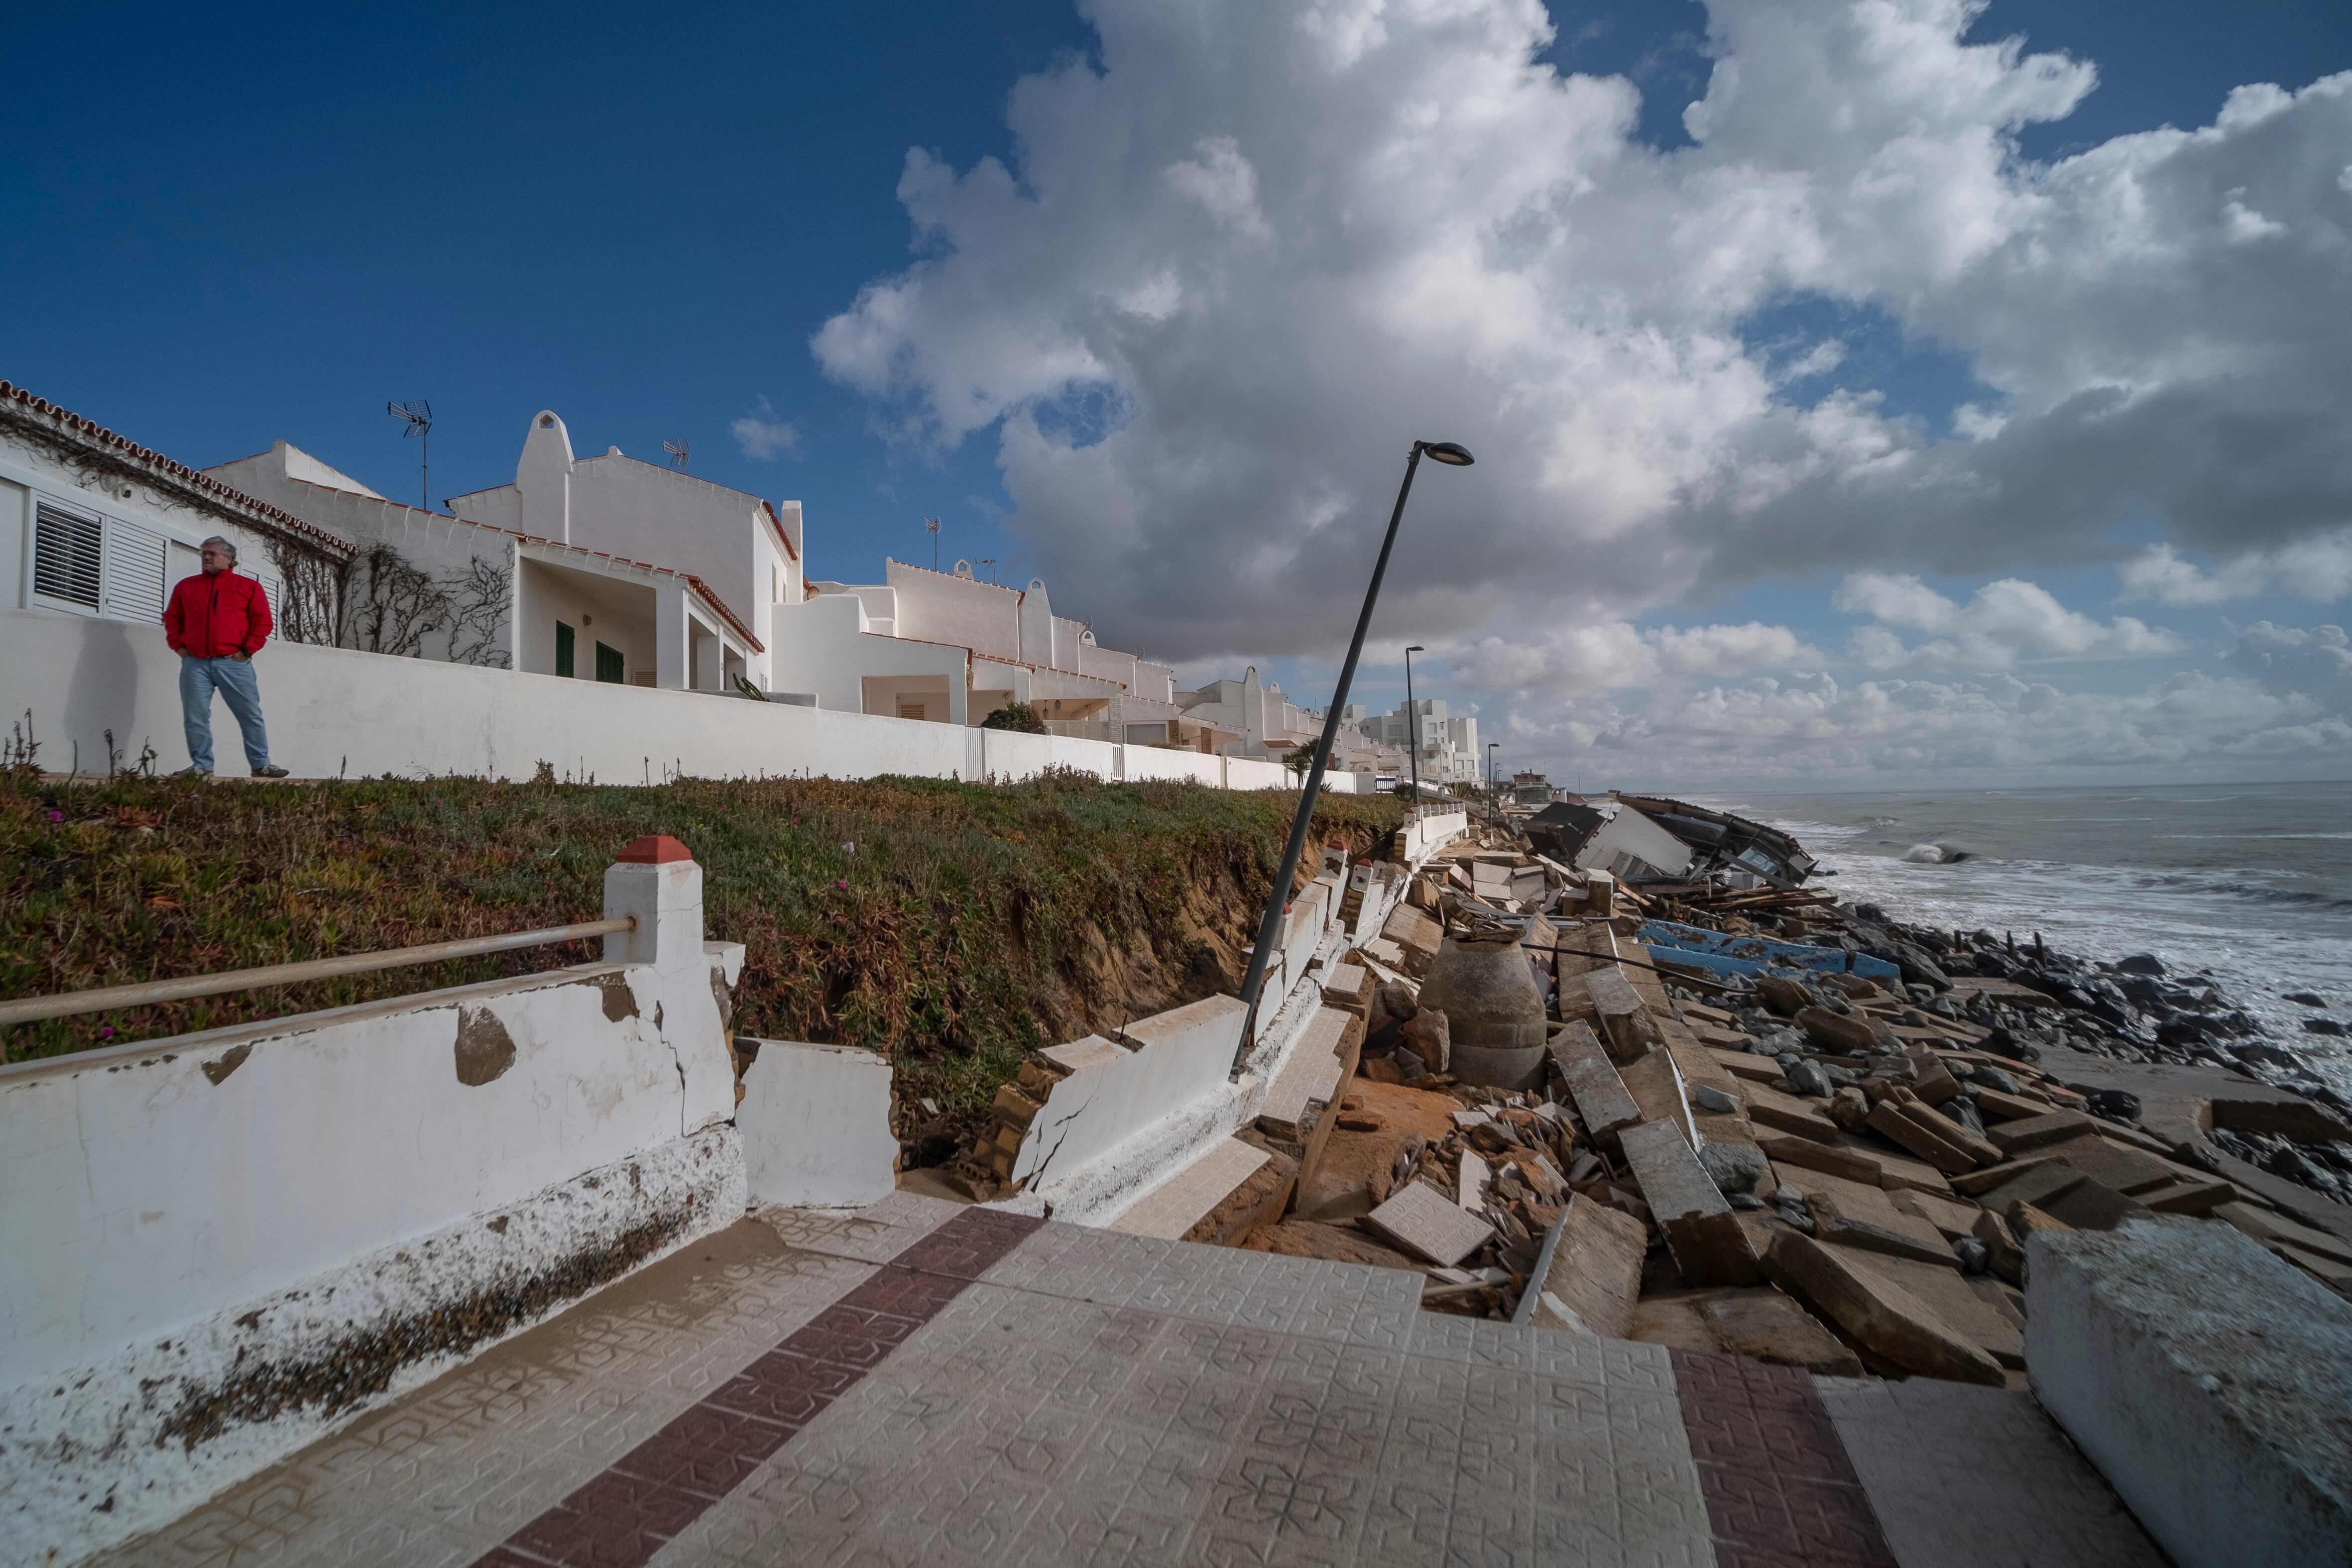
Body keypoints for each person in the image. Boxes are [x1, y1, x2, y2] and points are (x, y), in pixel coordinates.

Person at [162, 536, 289, 779]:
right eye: (204, 553)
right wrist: (179, 647)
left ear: (229, 559)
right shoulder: (186, 587)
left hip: (234, 664)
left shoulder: (248, 587)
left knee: (250, 715)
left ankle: (261, 764)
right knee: (195, 716)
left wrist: (247, 651)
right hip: (196, 664)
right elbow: (172, 618)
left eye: (212, 553)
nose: (206, 557)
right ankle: (201, 766)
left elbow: (262, 623)